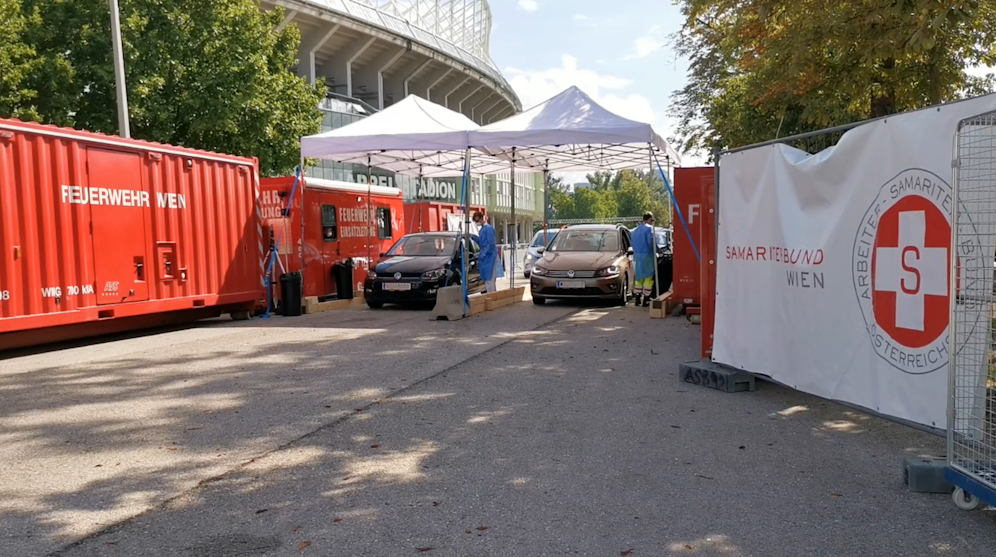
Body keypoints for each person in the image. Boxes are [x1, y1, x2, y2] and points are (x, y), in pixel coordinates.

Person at [631, 212, 657, 307]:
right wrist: (656, 250)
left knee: (639, 277)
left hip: (637, 256)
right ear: (649, 219)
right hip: (647, 255)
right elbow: (651, 242)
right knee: (648, 277)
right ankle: (646, 299)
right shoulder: (649, 229)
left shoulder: (635, 230)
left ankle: (637, 297)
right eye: (651, 220)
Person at [471, 211, 498, 293]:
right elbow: (482, 243)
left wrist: (484, 253)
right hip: (487, 257)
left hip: (491, 257)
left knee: (490, 279)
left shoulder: (488, 228)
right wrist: (474, 237)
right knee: (488, 279)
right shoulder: (483, 229)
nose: (477, 223)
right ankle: (492, 296)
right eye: (475, 221)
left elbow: (491, 244)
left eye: (477, 220)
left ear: (482, 218)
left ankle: (491, 297)